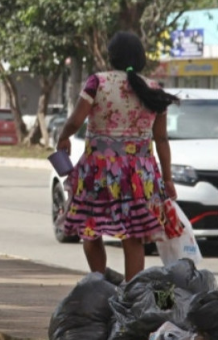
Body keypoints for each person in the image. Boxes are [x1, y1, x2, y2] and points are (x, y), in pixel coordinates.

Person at [57, 31, 181, 282]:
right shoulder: (153, 89)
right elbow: (162, 140)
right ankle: (132, 297)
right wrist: (167, 179)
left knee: (89, 231)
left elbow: (75, 120)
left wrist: (63, 137)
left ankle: (99, 282)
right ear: (141, 57)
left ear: (111, 57)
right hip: (139, 173)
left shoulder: (97, 83)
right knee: (133, 235)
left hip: (98, 170)